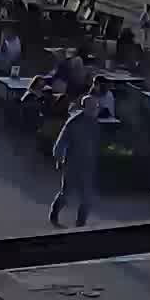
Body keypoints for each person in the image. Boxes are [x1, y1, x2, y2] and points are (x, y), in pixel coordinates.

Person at [49, 93, 102, 227]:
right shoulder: (74, 123)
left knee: (87, 198)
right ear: (85, 107)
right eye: (93, 107)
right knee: (66, 194)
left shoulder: (94, 123)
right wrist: (59, 159)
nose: (95, 109)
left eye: (96, 107)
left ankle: (80, 223)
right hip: (72, 164)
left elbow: (95, 143)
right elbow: (61, 143)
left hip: (88, 165)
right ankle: (54, 214)